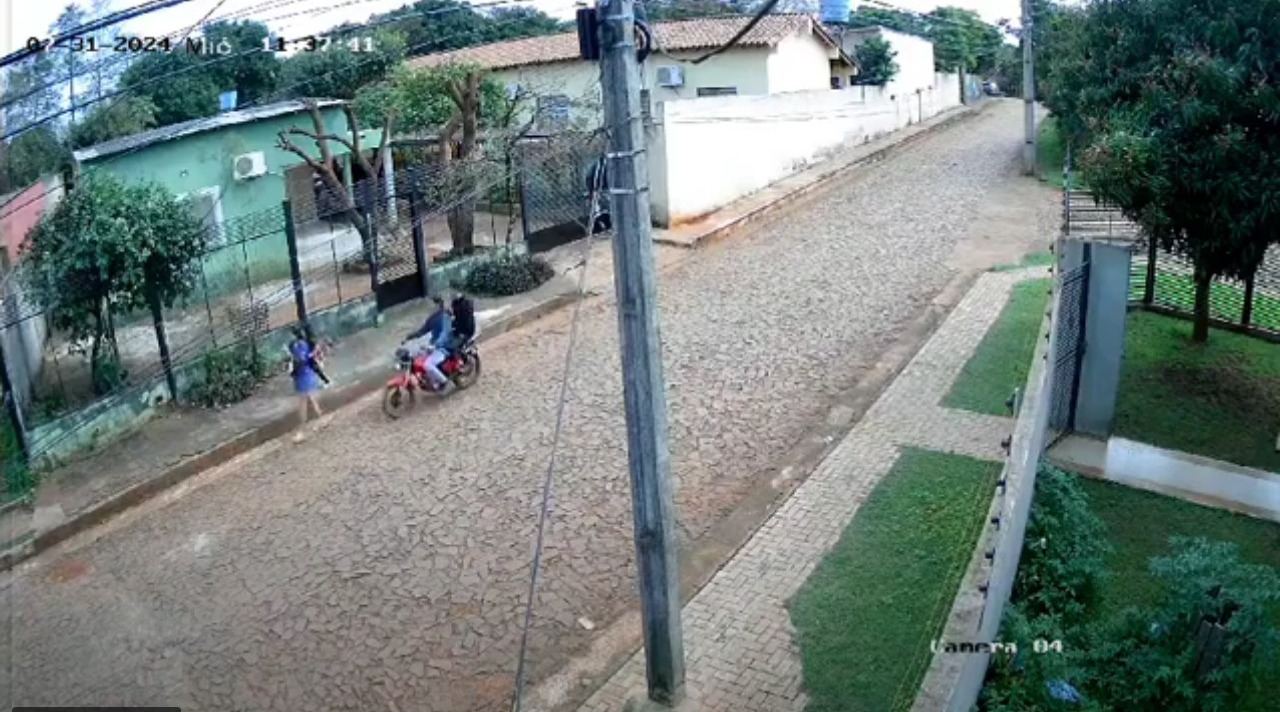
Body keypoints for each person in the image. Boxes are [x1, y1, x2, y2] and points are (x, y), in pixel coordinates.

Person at [405, 296, 452, 392]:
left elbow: (445, 333)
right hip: (434, 345)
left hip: (444, 347)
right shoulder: (432, 319)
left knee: (427, 364)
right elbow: (422, 331)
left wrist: (436, 345)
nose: (430, 307)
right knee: (417, 356)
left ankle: (444, 381)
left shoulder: (445, 317)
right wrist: (410, 336)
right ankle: (428, 380)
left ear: (438, 305)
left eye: (433, 304)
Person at [288, 327, 324, 443]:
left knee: (303, 405)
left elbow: (300, 361)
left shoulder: (298, 346)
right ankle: (321, 421)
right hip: (307, 375)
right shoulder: (304, 344)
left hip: (304, 377)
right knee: (312, 401)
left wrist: (292, 369)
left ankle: (302, 431)